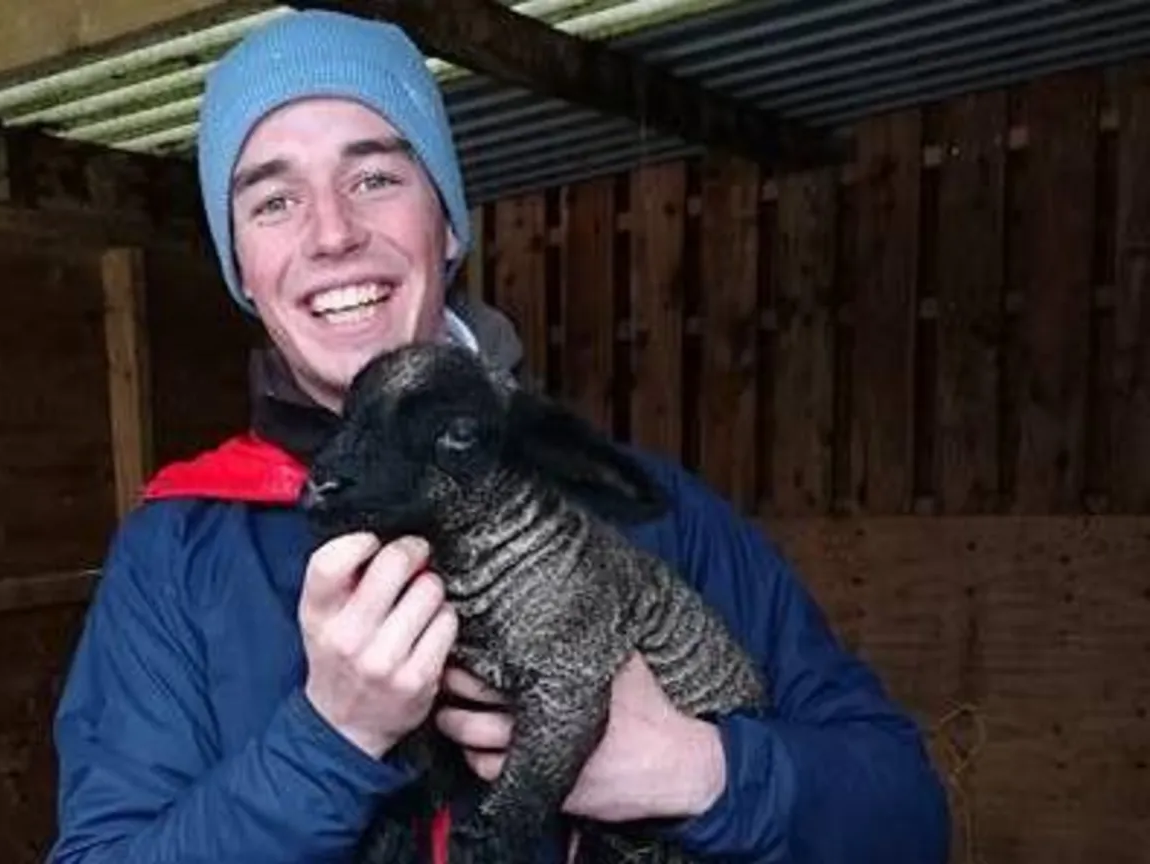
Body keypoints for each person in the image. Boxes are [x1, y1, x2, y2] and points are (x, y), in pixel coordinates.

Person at [46, 9, 951, 864]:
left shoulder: (642, 512)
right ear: (242, 267)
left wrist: (696, 770)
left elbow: (909, 821)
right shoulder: (180, 555)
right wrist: (329, 738)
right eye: (272, 201)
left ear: (445, 225)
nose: (331, 233)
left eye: (375, 177)